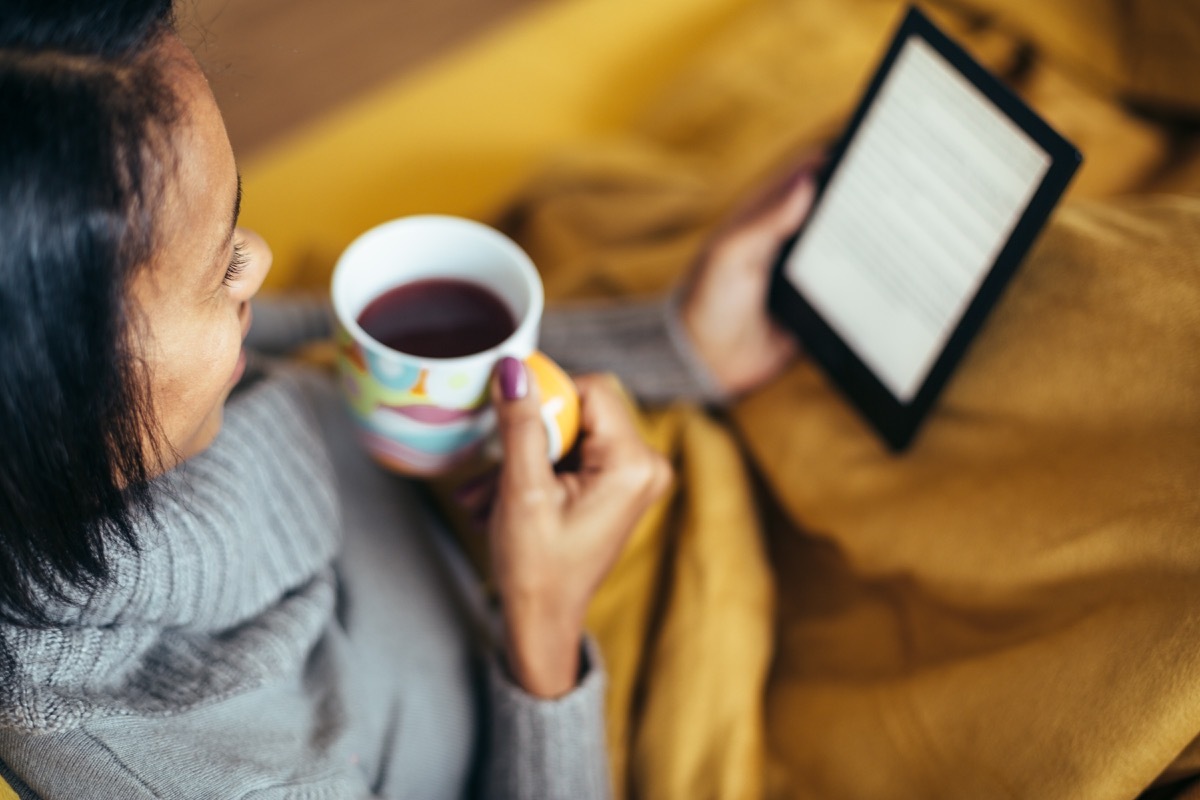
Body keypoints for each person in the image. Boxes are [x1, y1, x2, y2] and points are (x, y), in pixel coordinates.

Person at [0, 2, 815, 797]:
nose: (260, 261)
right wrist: (546, 637)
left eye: (236, 228)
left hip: (464, 509)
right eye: (220, 268)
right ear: (53, 395)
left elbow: (319, 331)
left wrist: (678, 345)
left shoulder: (97, 416)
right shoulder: (214, 774)